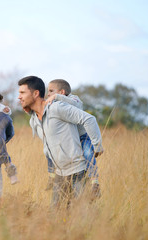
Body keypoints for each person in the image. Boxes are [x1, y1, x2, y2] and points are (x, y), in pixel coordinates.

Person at [18, 76, 103, 209]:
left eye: (22, 93)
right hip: (59, 175)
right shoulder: (33, 120)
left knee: (81, 217)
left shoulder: (56, 108)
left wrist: (97, 146)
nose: (19, 97)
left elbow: (89, 119)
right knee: (56, 218)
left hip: (77, 172)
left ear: (35, 93)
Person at [44, 79, 100, 198]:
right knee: (47, 151)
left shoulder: (75, 99)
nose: (48, 94)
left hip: (83, 137)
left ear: (62, 92)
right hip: (70, 139)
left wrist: (57, 97)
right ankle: (51, 176)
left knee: (88, 153)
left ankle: (95, 182)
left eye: (51, 91)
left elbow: (76, 106)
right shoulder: (56, 104)